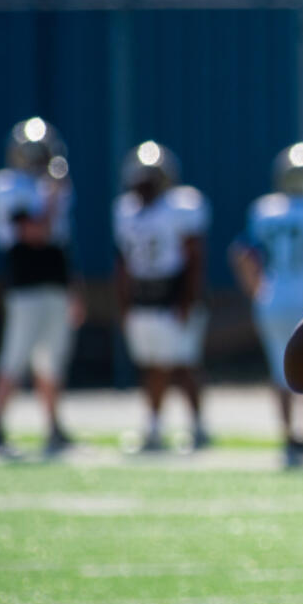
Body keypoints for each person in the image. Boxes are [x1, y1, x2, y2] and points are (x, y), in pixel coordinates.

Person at [230, 142, 303, 468]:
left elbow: (241, 254)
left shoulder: (266, 210)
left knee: (279, 370)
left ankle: (288, 437)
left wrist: (257, 290)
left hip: (272, 299)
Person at [0, 117, 83, 456]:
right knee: (14, 356)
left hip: (54, 283)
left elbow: (61, 244)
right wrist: (53, 196)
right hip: (26, 284)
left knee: (51, 360)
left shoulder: (49, 188)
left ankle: (54, 426)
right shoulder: (7, 186)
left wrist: (74, 289)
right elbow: (35, 233)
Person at [112, 141, 211, 452]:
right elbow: (124, 262)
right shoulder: (125, 210)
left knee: (182, 365)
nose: (145, 186)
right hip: (144, 296)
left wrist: (187, 300)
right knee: (152, 365)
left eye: (150, 179)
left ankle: (193, 426)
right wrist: (125, 303)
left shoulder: (181, 207)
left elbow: (194, 258)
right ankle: (157, 426)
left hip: (173, 294)